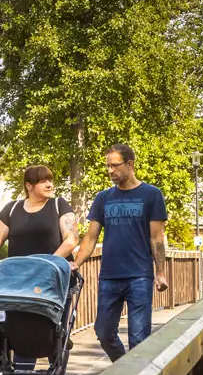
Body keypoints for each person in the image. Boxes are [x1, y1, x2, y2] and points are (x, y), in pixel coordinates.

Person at [72, 143, 169, 362]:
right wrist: (76, 263)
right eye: (108, 166)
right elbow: (91, 237)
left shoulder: (151, 195)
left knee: (138, 339)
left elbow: (157, 238)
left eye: (115, 166)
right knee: (104, 333)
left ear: (130, 164)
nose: (110, 171)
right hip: (109, 276)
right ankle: (124, 369)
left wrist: (160, 272)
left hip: (139, 276)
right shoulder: (103, 198)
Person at [0, 164, 78, 375]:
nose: (50, 184)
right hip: (20, 283)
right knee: (23, 329)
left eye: (51, 180)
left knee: (53, 331)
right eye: (43, 181)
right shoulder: (12, 209)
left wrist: (48, 264)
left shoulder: (58, 205)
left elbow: (72, 239)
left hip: (54, 281)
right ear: (29, 185)